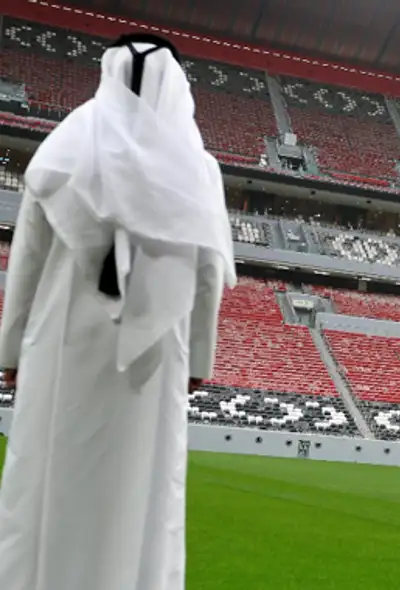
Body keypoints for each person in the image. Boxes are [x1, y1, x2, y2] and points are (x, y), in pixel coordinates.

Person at [0, 33, 235, 590]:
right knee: (143, 482)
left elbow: (27, 259)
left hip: (61, 342)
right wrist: (199, 358)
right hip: (158, 354)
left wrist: (10, 351)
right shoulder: (197, 168)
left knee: (53, 471)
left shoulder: (63, 149)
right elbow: (207, 277)